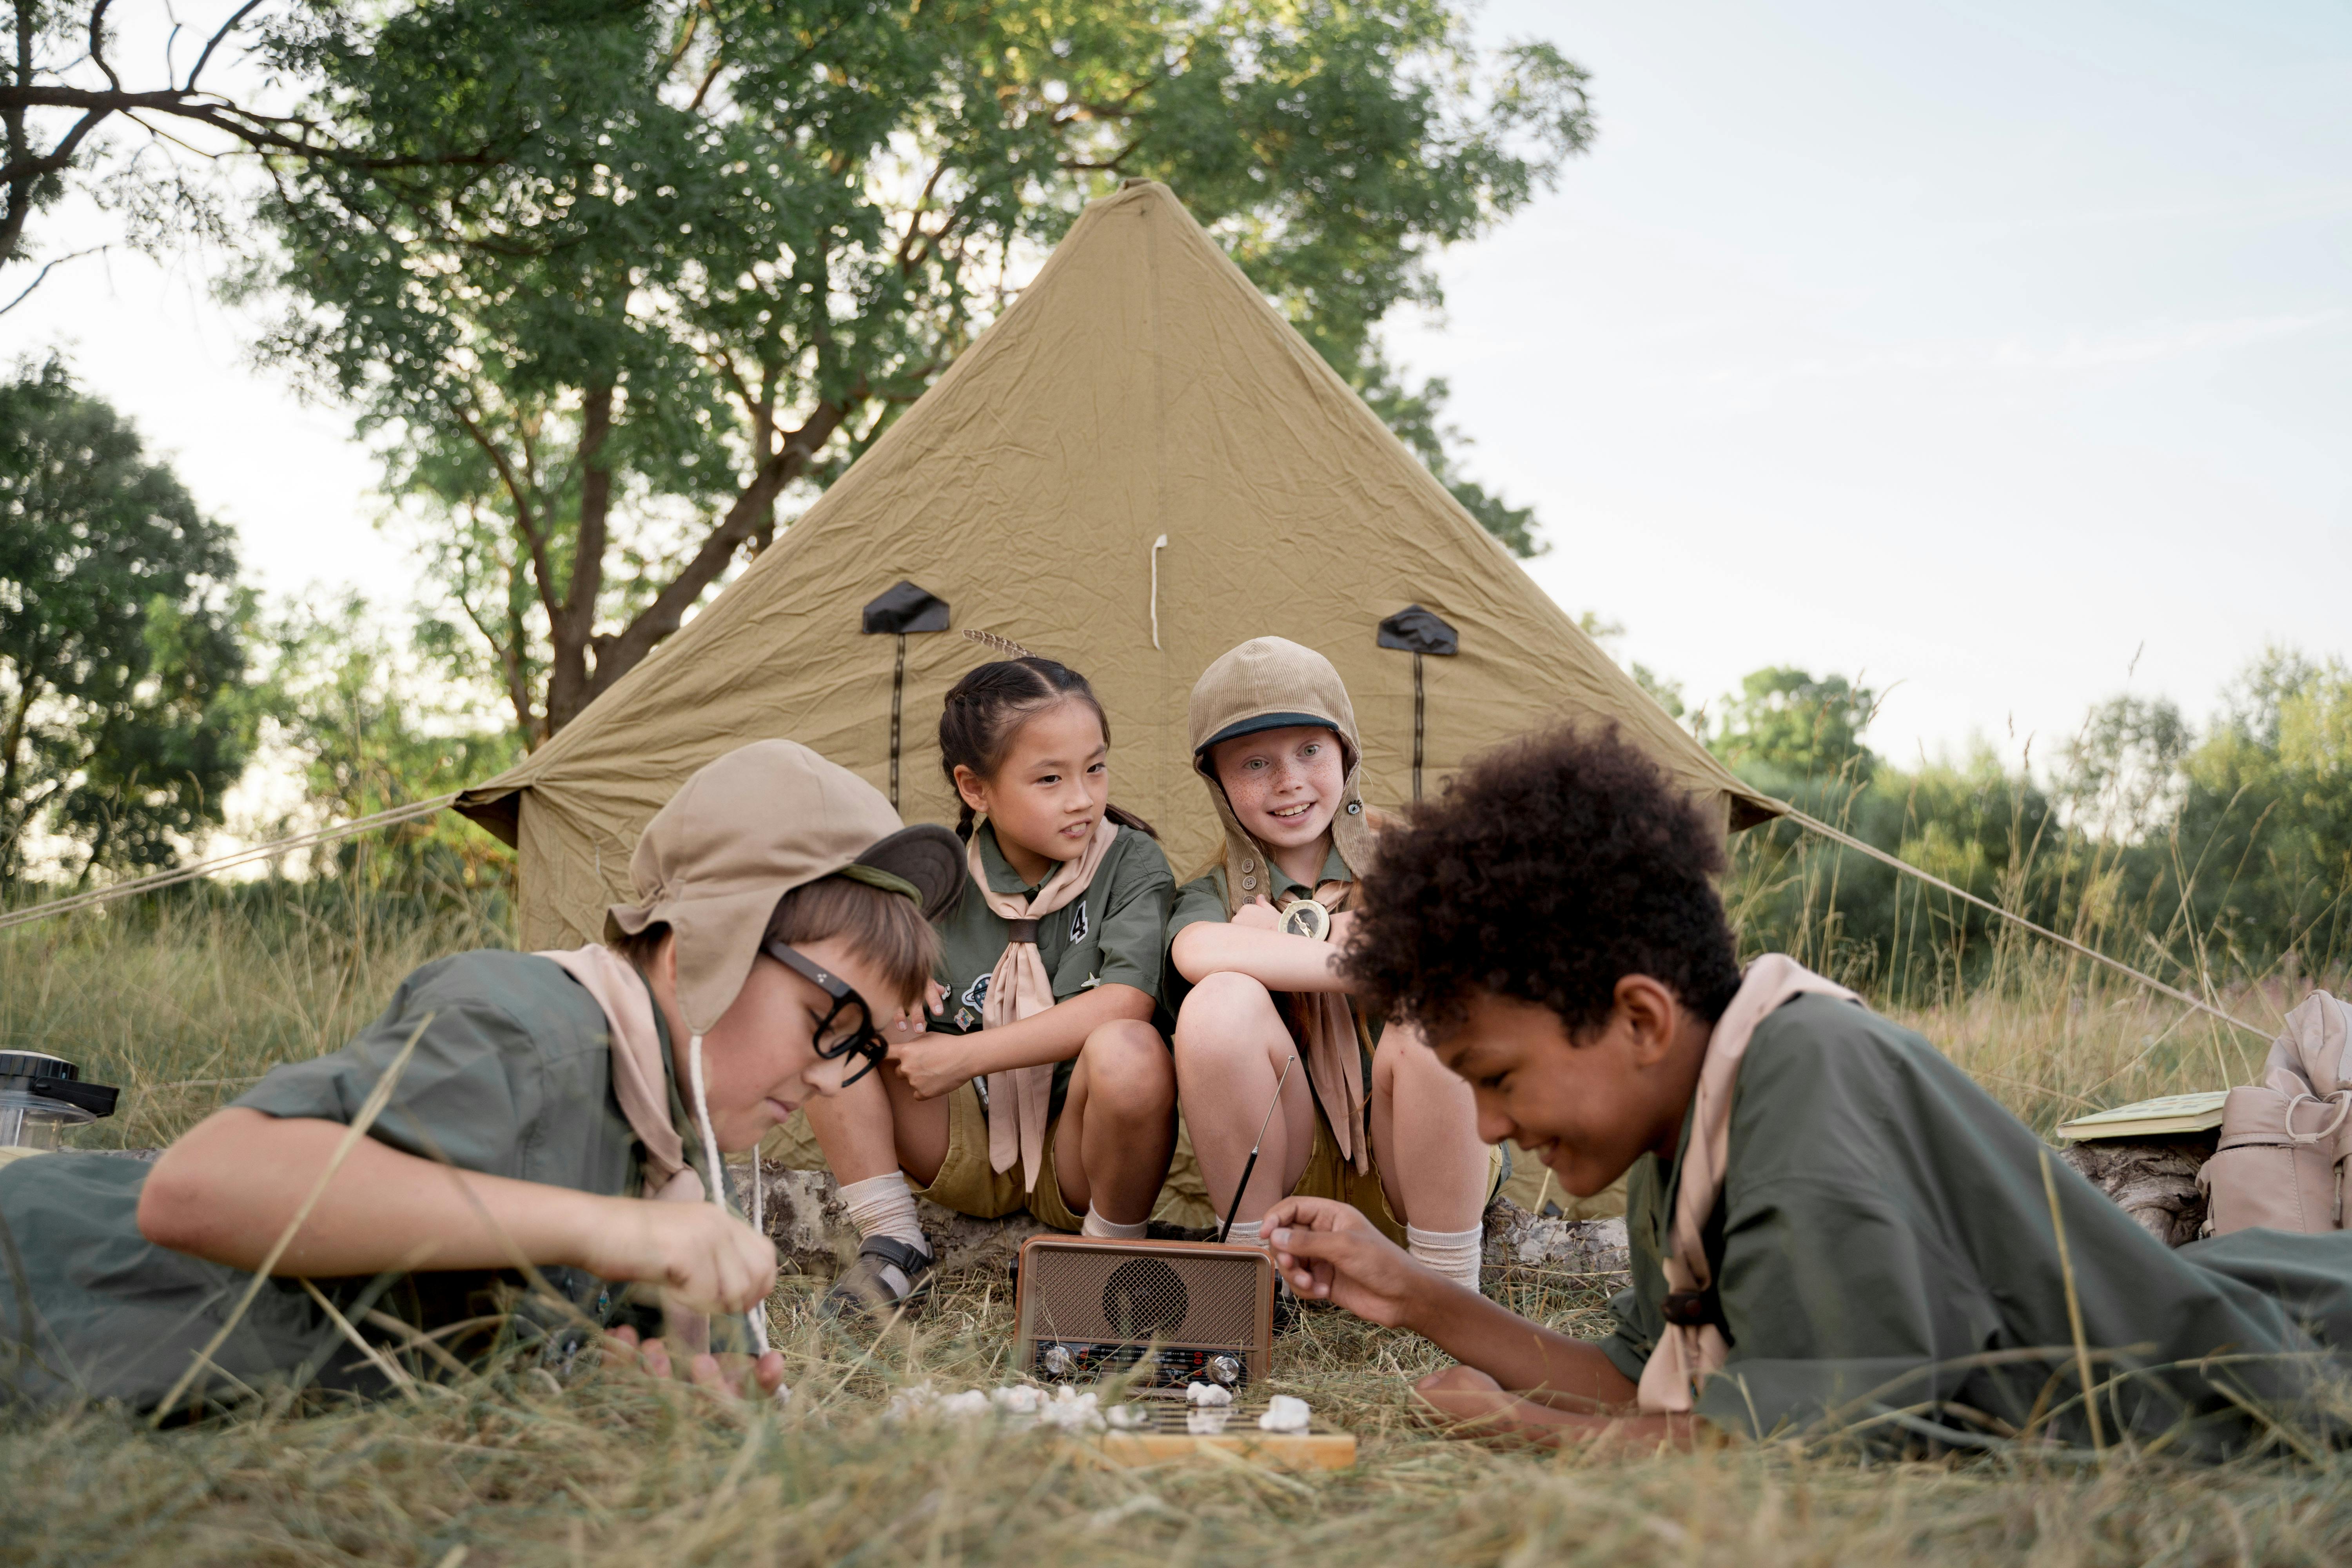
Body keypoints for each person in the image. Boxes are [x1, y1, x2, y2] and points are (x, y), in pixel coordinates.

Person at [1263, 726, 2352, 1455]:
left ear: (1641, 1020)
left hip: (2276, 1366)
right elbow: (1644, 1380)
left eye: (1499, 1079)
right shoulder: (1680, 1125)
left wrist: (1532, 1432)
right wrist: (1415, 1295)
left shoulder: (1800, 1084)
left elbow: (1811, 1445)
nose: (1492, 1125)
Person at [0, 740, 961, 1411]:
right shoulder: (534, 1023)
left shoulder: (657, 1145)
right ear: (703, 945)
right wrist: (621, 1229)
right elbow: (198, 1187)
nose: (836, 1076)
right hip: (44, 1284)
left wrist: (648, 1390)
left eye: (864, 1048)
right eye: (831, 1020)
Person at [805, 656, 1178, 1316]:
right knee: (832, 1006)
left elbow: (1127, 1000)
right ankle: (893, 1243)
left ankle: (1105, 1254)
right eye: (1049, 779)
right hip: (954, 1139)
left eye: (1095, 767)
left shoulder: (1132, 861)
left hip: (1077, 1154)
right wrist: (887, 982)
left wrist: (966, 1055)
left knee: (1130, 1046)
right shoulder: (931, 877)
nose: (1082, 798)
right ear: (975, 788)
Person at [1167, 636, 1499, 1294]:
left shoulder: (1417, 859)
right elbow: (1196, 951)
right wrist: (1362, 955)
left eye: (1310, 751)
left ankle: (1449, 1291)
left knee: (1434, 1016)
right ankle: (1253, 1280)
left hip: (1422, 1165)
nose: (1288, 781)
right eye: (1255, 763)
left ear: (1346, 751)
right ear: (1219, 783)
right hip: (1296, 1174)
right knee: (1216, 1004)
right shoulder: (1216, 894)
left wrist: (1283, 952)